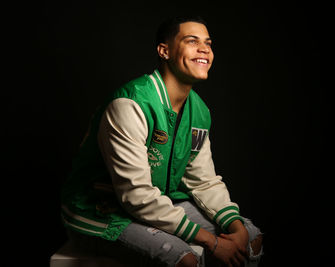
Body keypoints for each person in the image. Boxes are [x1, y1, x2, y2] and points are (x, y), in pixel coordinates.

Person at [60, 16, 263, 267]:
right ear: (164, 50)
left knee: (251, 237)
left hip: (159, 203)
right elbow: (136, 196)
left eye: (208, 43)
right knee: (183, 258)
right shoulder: (131, 104)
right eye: (192, 41)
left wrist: (236, 225)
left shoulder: (199, 111)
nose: (204, 49)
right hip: (101, 211)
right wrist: (213, 242)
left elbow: (204, 181)